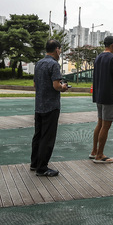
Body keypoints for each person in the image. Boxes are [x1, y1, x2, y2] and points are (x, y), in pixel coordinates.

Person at [31, 39, 68, 177]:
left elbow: (35, 85)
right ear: (57, 49)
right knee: (48, 137)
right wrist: (63, 87)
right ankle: (42, 168)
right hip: (51, 106)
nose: (60, 52)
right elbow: (56, 85)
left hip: (39, 105)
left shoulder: (39, 63)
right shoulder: (54, 64)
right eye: (60, 49)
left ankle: (34, 163)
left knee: (38, 135)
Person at [91, 36, 113, 164]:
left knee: (100, 123)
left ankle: (94, 151)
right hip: (109, 95)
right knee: (106, 125)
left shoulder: (98, 57)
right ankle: (99, 155)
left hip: (99, 94)